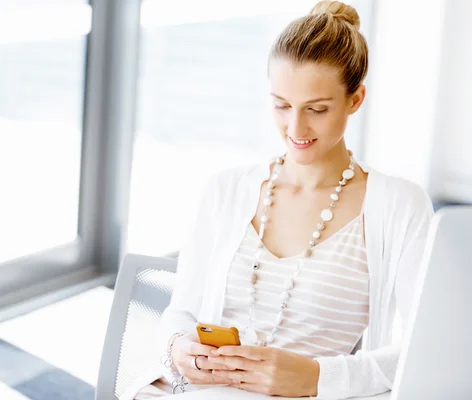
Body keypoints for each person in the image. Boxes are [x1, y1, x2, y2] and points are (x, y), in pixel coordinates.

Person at [121, 1, 434, 399]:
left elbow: (427, 351)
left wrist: (320, 378)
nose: (295, 128)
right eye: (281, 105)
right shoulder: (226, 190)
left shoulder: (399, 206)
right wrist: (180, 348)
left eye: (317, 109)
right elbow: (180, 312)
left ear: (355, 99)